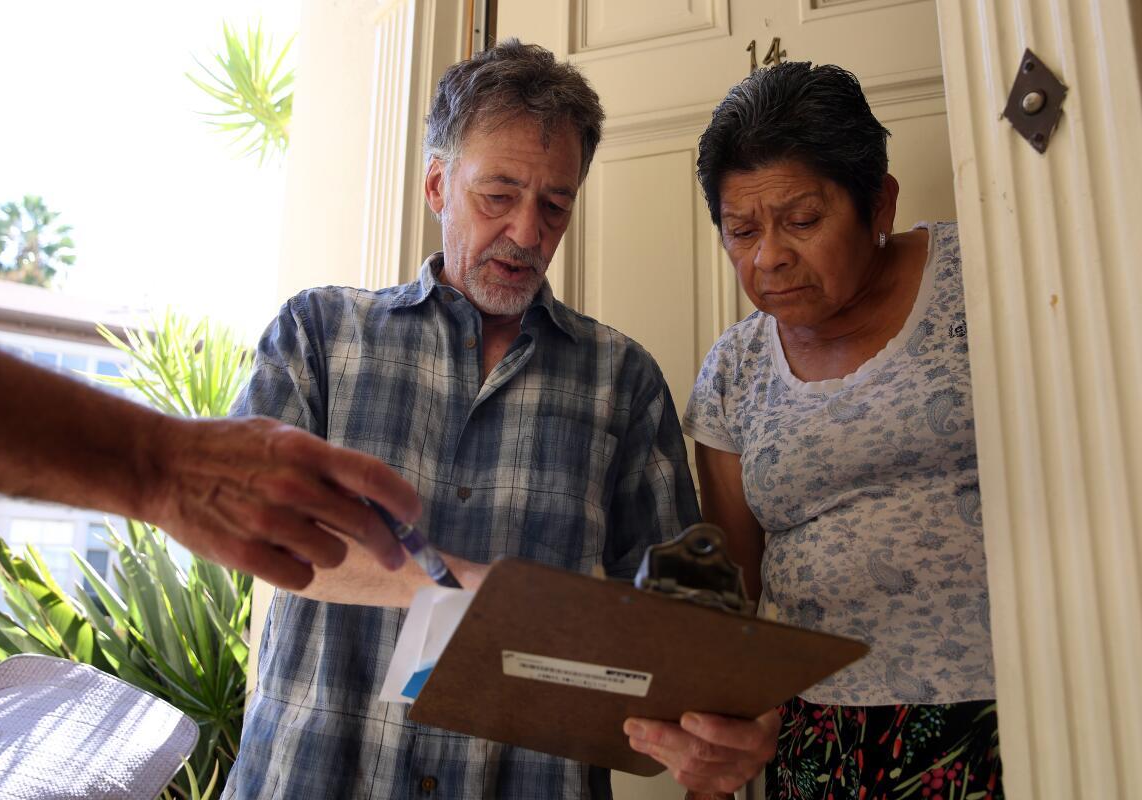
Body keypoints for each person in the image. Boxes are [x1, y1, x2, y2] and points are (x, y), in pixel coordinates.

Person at [223, 39, 777, 800]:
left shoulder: (624, 380)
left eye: (555, 204)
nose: (526, 233)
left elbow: (671, 628)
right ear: (436, 184)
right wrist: (476, 593)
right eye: (498, 195)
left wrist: (714, 724)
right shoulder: (317, 334)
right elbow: (249, 525)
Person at [682, 62, 1003, 799]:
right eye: (741, 230)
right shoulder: (735, 369)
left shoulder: (986, 278)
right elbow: (736, 583)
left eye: (801, 220)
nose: (768, 257)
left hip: (1003, 708)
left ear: (879, 204)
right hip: (817, 734)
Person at [0, 317, 420, 591]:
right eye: (494, 196)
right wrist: (162, 465)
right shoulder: (321, 321)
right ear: (437, 185)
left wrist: (161, 467)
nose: (501, 225)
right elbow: (287, 548)